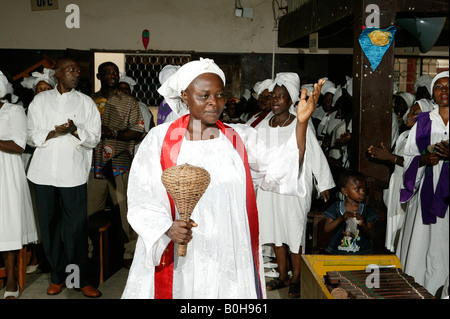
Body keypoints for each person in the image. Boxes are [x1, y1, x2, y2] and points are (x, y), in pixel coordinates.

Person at [121, 58, 325, 299]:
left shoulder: (238, 137)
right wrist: (166, 227)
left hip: (228, 245)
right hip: (183, 244)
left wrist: (301, 123)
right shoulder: (160, 140)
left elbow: (282, 166)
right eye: (203, 95)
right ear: (185, 96)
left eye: (219, 96)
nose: (213, 103)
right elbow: (141, 195)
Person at [26, 57, 102, 297]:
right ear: (58, 73)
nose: (76, 73)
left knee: (76, 228)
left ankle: (80, 279)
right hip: (43, 173)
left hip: (72, 174)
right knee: (49, 228)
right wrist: (52, 132)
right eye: (71, 69)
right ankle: (57, 277)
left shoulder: (86, 102)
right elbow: (30, 135)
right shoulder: (40, 100)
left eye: (78, 70)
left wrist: (74, 130)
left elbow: (94, 137)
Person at [255, 72, 335, 298]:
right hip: (269, 188)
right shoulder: (263, 126)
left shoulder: (300, 123)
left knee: (293, 232)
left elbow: (316, 155)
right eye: (273, 97)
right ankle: (282, 276)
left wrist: (324, 183)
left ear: (291, 100)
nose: (275, 101)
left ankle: (296, 278)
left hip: (294, 187)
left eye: (281, 97)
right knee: (276, 232)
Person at [88, 62, 145, 268]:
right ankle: (90, 251)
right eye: (107, 73)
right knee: (91, 211)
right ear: (99, 75)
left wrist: (114, 134)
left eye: (115, 72)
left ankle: (130, 253)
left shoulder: (129, 102)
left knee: (124, 210)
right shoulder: (89, 101)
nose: (113, 76)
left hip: (119, 161)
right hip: (94, 163)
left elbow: (138, 130)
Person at [399, 70, 449, 296]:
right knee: (421, 240)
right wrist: (422, 160)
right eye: (439, 87)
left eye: (448, 87)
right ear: (433, 93)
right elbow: (407, 156)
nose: (444, 91)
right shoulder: (423, 122)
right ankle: (418, 289)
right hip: (425, 192)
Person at [368, 99, 434, 254]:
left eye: (415, 113)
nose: (409, 115)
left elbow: (417, 162)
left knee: (404, 226)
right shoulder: (404, 135)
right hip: (397, 182)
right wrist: (385, 155)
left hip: (409, 184)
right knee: (393, 231)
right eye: (410, 111)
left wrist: (390, 157)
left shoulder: (425, 137)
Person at [0, 71, 39, 299]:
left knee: (8, 223)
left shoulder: (14, 111)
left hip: (6, 171)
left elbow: (19, 145)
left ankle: (12, 279)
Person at [20, 68, 58, 274]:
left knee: (52, 212)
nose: (42, 92)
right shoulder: (28, 111)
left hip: (54, 166)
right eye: (39, 89)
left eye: (47, 89)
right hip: (30, 162)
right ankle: (35, 254)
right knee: (34, 210)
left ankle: (49, 254)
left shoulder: (60, 110)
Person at [323, 170, 377, 255]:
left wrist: (362, 225)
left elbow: (371, 235)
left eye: (364, 189)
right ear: (345, 191)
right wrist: (341, 219)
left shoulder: (367, 209)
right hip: (338, 253)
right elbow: (327, 229)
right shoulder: (336, 207)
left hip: (361, 254)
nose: (362, 192)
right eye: (358, 189)